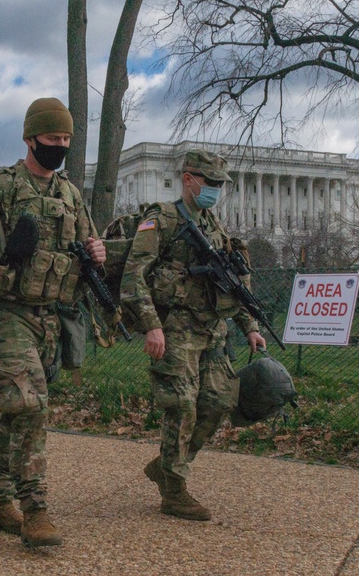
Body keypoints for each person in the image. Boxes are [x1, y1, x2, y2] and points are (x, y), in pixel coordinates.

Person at [0, 97, 109, 547]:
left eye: (66, 139)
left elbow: (88, 242)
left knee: (18, 408)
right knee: (32, 404)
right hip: (5, 313)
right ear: (30, 137)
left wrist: (97, 252)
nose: (60, 146)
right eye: (53, 138)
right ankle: (35, 509)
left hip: (50, 317)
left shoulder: (70, 193)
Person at [120, 149, 266, 521]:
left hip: (213, 330)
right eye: (210, 182)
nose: (216, 189)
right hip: (176, 328)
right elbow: (134, 274)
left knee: (218, 403)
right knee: (182, 405)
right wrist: (152, 323)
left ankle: (168, 464)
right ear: (188, 179)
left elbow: (232, 284)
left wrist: (250, 327)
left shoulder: (214, 226)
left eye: (220, 184)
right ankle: (174, 488)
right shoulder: (163, 219)